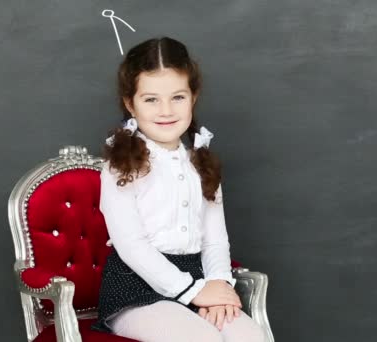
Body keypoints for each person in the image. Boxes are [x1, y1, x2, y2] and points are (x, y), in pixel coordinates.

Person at [90, 36, 267, 342]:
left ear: (193, 97)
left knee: (250, 337)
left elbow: (215, 241)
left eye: (178, 97)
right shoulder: (122, 166)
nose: (166, 110)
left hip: (198, 280)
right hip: (136, 289)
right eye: (151, 99)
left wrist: (219, 287)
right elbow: (133, 247)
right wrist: (194, 292)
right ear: (130, 103)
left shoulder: (201, 161)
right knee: (200, 339)